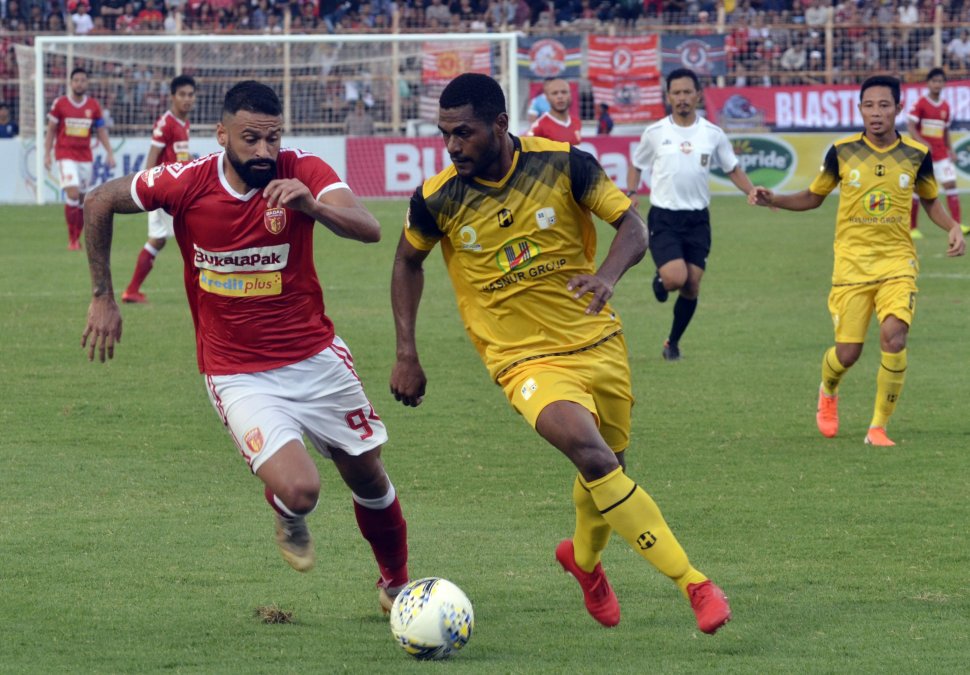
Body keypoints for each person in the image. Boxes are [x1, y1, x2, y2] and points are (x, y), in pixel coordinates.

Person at [389, 72, 732, 634]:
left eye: (464, 133)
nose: (452, 146)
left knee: (610, 466)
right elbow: (406, 261)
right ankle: (694, 583)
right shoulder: (437, 197)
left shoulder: (565, 164)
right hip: (522, 359)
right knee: (592, 456)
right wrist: (407, 351)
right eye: (444, 134)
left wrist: (606, 277)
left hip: (597, 342)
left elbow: (633, 227)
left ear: (500, 125)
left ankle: (585, 561)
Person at [80, 80, 410, 612]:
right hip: (237, 371)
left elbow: (369, 228)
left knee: (368, 471)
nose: (263, 151)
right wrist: (102, 296)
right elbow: (99, 201)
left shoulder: (300, 170)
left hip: (315, 357)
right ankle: (286, 509)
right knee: (303, 490)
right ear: (222, 135)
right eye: (250, 138)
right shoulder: (186, 181)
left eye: (272, 139)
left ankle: (395, 584)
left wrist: (313, 207)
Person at [749, 75, 966, 447]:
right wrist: (775, 200)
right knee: (848, 353)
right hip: (851, 266)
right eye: (869, 105)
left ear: (898, 108)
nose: (876, 112)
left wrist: (952, 227)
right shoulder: (842, 151)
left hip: (897, 262)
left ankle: (878, 427)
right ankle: (828, 390)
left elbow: (929, 199)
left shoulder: (916, 154)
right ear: (860, 109)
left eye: (884, 105)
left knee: (894, 336)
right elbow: (814, 196)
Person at [626, 68, 759, 362]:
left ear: (698, 95)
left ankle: (672, 343)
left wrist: (750, 191)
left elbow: (732, 168)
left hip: (698, 220)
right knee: (675, 278)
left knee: (692, 285)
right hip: (665, 217)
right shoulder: (656, 132)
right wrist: (632, 192)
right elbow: (637, 164)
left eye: (688, 92)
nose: (682, 98)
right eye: (677, 93)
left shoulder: (712, 134)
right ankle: (661, 282)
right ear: (668, 96)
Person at [121, 75, 197, 304]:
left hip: (174, 191)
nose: (187, 99)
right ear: (172, 97)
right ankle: (205, 289)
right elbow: (151, 160)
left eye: (191, 95)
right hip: (166, 193)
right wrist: (150, 193)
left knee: (158, 240)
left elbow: (179, 155)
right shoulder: (165, 124)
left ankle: (132, 290)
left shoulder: (184, 122)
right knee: (195, 236)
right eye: (182, 95)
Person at [44, 67, 116, 251]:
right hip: (65, 155)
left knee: (84, 199)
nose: (79, 83)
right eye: (76, 80)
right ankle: (72, 239)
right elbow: (51, 130)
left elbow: (100, 130)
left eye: (83, 80)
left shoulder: (93, 105)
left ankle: (77, 238)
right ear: (71, 83)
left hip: (85, 157)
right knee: (73, 194)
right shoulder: (60, 104)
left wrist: (109, 152)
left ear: (87, 83)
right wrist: (46, 153)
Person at [906, 68, 970, 239]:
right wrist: (922, 142)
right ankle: (912, 228)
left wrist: (951, 150)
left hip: (941, 153)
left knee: (951, 185)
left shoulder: (945, 106)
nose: (937, 84)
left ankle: (957, 225)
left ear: (943, 84)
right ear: (928, 83)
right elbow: (911, 126)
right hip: (923, 155)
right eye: (934, 81)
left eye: (940, 81)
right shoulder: (920, 103)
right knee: (917, 189)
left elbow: (946, 131)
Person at [526, 77, 581, 145]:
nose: (560, 96)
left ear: (570, 95)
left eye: (564, 92)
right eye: (555, 93)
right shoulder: (538, 127)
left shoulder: (576, 122)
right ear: (547, 97)